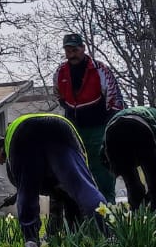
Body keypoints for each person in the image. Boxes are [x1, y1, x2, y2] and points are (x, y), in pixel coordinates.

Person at [0, 113, 107, 247]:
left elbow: (27, 190)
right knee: (82, 188)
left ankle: (31, 241)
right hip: (60, 128)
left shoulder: (12, 148)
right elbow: (59, 192)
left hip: (24, 134)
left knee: (27, 190)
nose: (1, 163)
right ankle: (106, 232)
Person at [53, 33, 126, 200]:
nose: (72, 54)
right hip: (75, 130)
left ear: (83, 49)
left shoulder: (100, 70)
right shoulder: (60, 72)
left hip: (99, 128)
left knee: (103, 173)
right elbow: (58, 97)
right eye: (68, 50)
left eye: (75, 49)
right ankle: (84, 216)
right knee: (76, 171)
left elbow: (115, 100)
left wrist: (111, 129)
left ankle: (109, 212)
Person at [102, 105, 156, 210]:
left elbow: (103, 155)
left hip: (112, 134)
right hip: (139, 128)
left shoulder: (154, 117)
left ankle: (139, 219)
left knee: (133, 187)